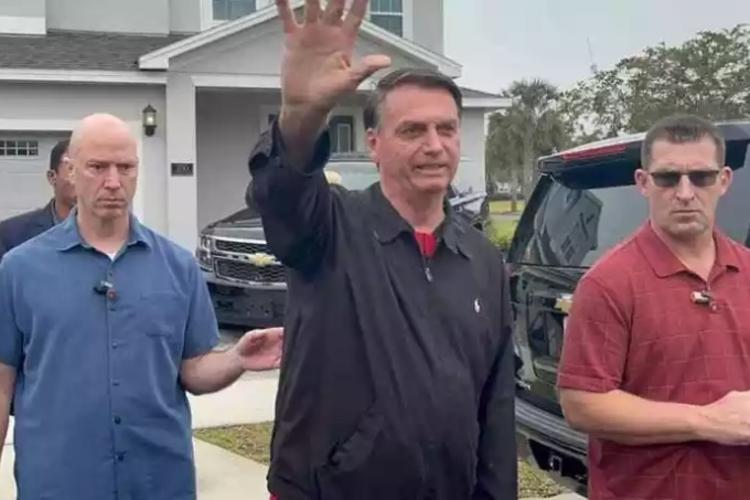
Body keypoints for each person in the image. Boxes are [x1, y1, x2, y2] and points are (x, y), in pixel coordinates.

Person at [249, 1, 516, 499]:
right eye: (412, 130)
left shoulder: (482, 259)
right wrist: (302, 116)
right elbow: (282, 191)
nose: (434, 145)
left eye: (446, 129)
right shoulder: (327, 229)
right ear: (374, 143)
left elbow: (496, 409)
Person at [0, 113, 283, 500]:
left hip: (159, 482)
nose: (113, 181)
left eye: (125, 167)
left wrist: (237, 358)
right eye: (98, 167)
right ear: (71, 172)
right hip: (58, 483)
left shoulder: (178, 267)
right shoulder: (20, 269)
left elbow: (193, 370)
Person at [558, 114, 750, 500]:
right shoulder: (608, 283)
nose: (685, 193)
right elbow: (581, 404)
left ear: (724, 180)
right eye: (668, 178)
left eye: (701, 176)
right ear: (643, 182)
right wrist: (707, 421)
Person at [0, 138, 76, 261]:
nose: (83, 177)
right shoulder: (11, 235)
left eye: (93, 168)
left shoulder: (109, 236)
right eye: (72, 168)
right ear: (52, 177)